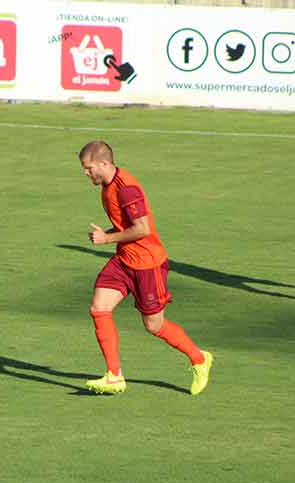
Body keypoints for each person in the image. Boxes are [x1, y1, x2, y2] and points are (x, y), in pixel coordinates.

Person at [78, 140, 213, 395]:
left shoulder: (126, 189)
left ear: (103, 163)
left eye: (88, 168)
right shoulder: (107, 186)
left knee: (154, 326)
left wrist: (106, 239)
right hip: (124, 260)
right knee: (99, 309)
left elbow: (142, 229)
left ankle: (199, 359)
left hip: (148, 265)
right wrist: (109, 234)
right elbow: (126, 226)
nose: (85, 173)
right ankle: (114, 376)